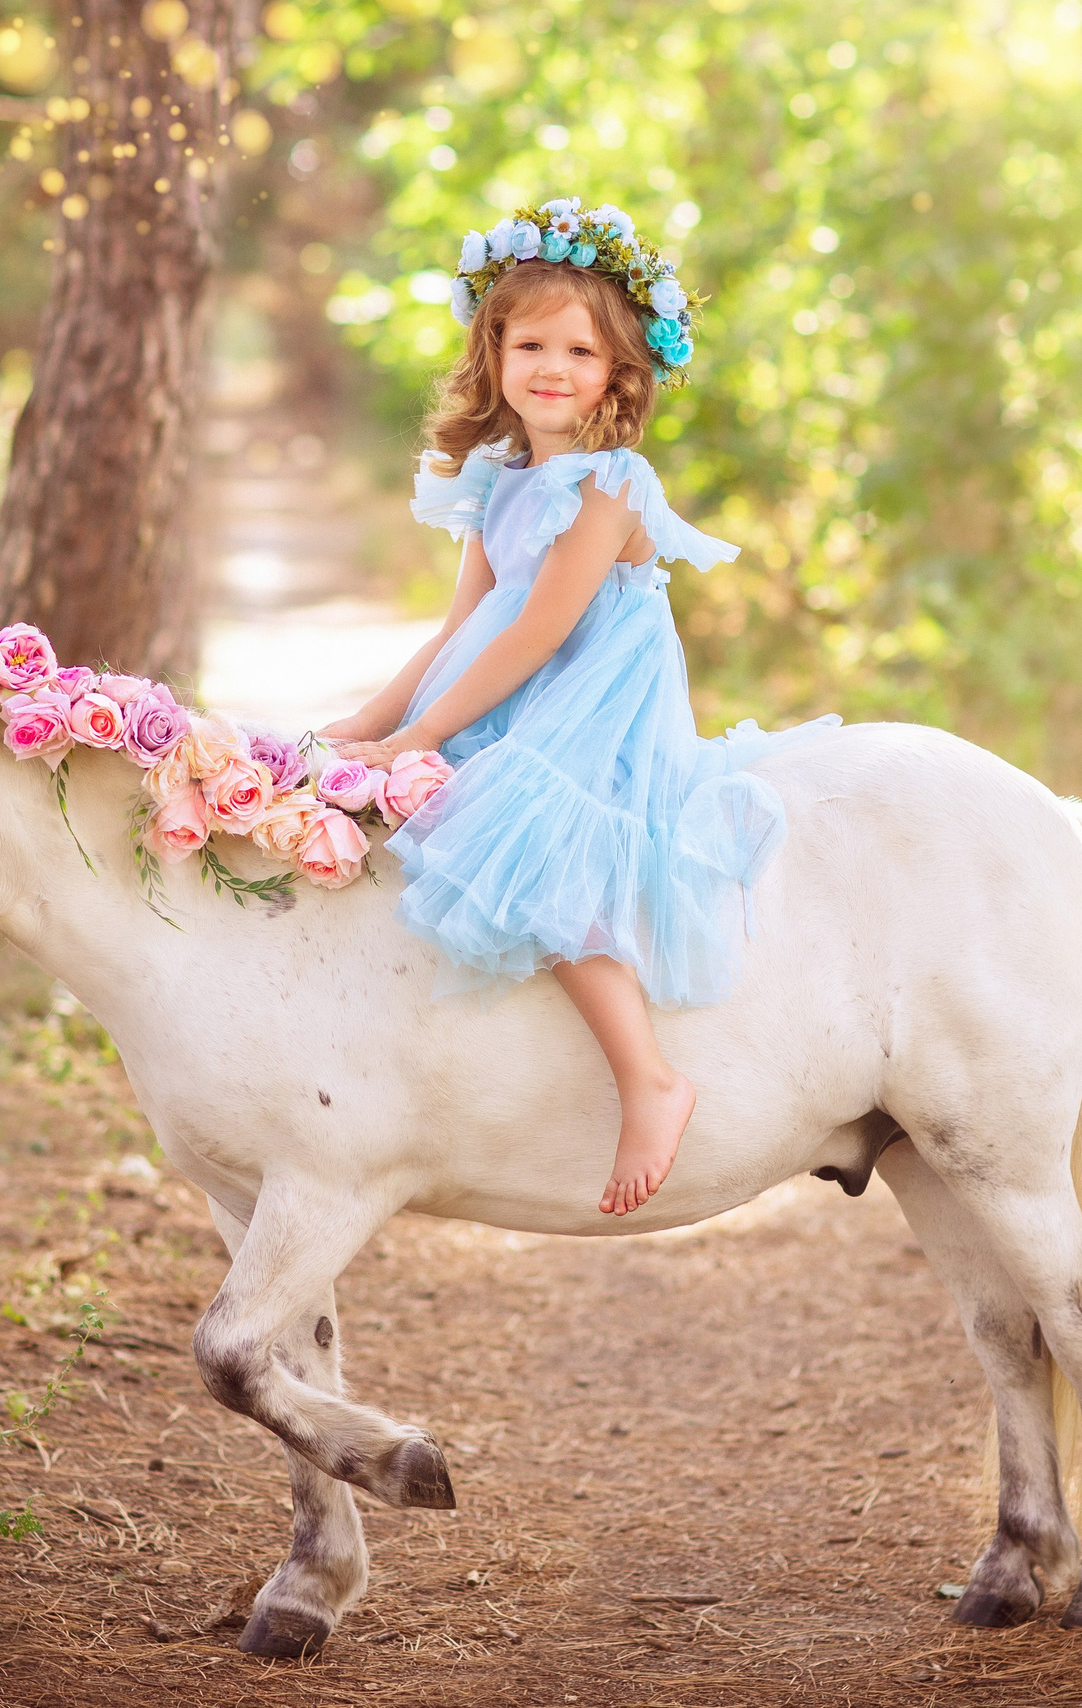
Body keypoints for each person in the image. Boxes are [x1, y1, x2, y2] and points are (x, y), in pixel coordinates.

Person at [320, 197, 837, 1217]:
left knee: (532, 834)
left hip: (595, 701)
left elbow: (541, 631)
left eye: (580, 351)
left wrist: (425, 733)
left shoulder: (612, 484)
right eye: (531, 344)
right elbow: (459, 630)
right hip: (519, 687)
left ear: (617, 374)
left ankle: (648, 1077)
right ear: (494, 351)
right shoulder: (498, 481)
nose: (552, 367)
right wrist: (373, 720)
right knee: (386, 791)